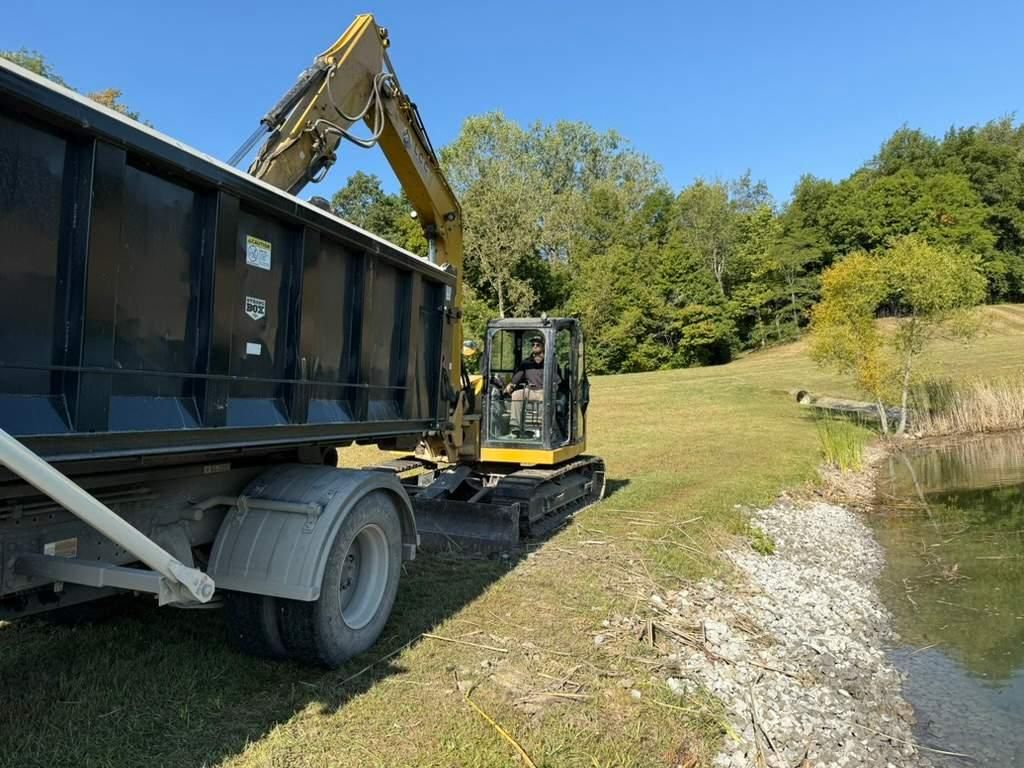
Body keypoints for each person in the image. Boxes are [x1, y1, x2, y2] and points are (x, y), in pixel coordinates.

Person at [504, 335, 559, 436]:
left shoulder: (550, 362)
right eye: (533, 344)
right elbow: (517, 377)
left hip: (544, 391)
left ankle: (545, 428)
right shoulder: (526, 363)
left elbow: (557, 380)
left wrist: (553, 389)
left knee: (545, 397)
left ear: (543, 346)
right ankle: (515, 426)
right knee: (517, 394)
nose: (535, 346)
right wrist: (511, 384)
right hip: (530, 391)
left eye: (538, 344)